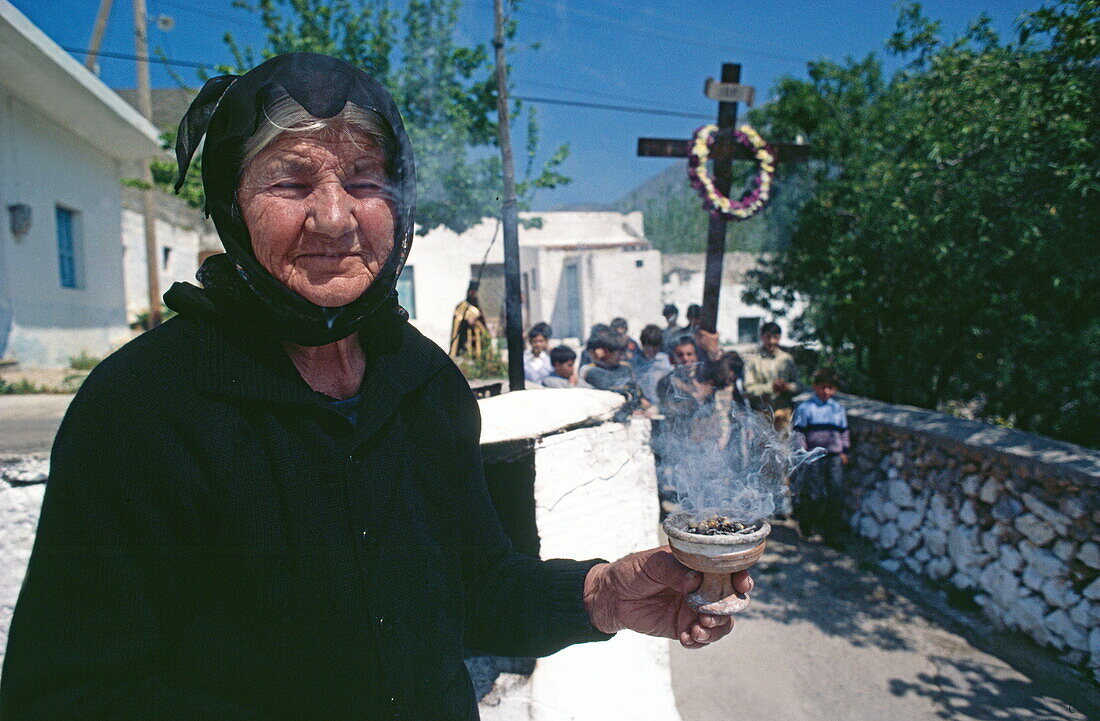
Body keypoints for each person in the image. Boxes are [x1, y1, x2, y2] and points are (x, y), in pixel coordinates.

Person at [0, 54, 749, 720]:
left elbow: (471, 588)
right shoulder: (144, 409)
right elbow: (68, 695)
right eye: (290, 181)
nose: (334, 216)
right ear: (232, 202)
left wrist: (604, 595)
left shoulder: (422, 383)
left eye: (363, 180)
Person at [791, 368, 851, 544]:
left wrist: (844, 451)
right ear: (815, 387)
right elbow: (799, 433)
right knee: (815, 494)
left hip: (833, 456)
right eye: (822, 387)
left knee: (835, 494)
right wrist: (803, 452)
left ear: (835, 390)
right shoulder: (806, 408)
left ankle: (831, 534)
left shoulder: (837, 409)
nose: (826, 391)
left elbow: (843, 432)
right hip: (814, 456)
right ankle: (806, 525)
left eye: (830, 388)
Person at [743, 321, 800, 430]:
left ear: (779, 338)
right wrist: (771, 388)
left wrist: (787, 387)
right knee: (762, 446)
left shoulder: (786, 359)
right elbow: (748, 389)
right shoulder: (753, 360)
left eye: (775, 337)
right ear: (762, 337)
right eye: (768, 337)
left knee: (783, 446)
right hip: (761, 412)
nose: (771, 341)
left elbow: (799, 386)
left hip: (783, 412)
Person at [578, 332, 639, 407]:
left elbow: (635, 392)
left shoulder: (626, 368)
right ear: (606, 351)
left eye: (622, 354)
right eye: (618, 354)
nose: (621, 358)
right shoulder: (589, 370)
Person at [449, 280, 491, 358]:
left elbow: (483, 325)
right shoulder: (462, 306)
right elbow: (457, 326)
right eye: (473, 292)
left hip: (477, 344)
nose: (474, 294)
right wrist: (466, 321)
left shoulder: (477, 306)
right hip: (465, 342)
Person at [634, 324, 672, 408]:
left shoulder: (664, 360)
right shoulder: (634, 362)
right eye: (648, 347)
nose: (651, 350)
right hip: (642, 406)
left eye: (655, 347)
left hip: (662, 406)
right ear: (643, 345)